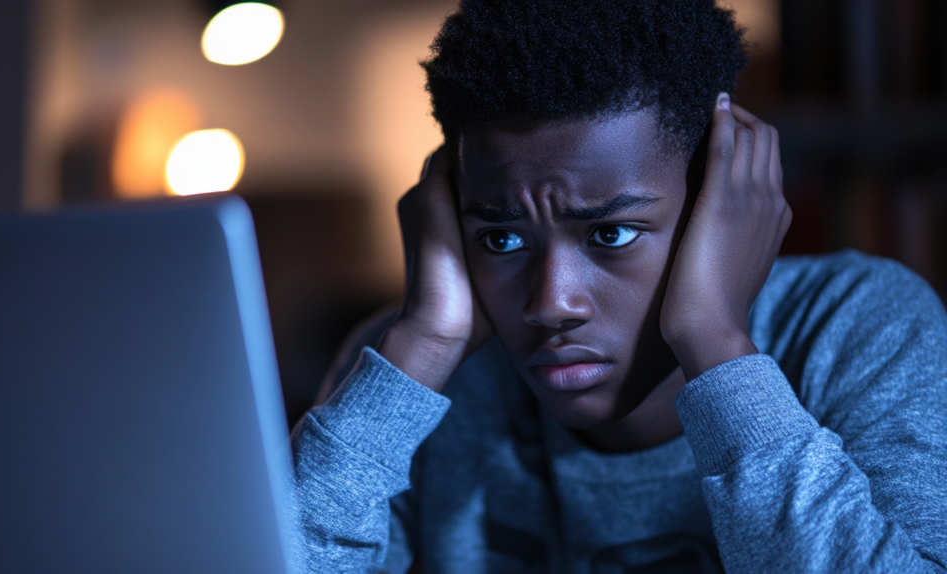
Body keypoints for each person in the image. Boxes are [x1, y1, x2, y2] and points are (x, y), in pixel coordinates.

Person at [290, 1, 947, 572]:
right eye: (503, 239)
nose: (552, 304)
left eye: (611, 234)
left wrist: (717, 342)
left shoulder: (860, 328)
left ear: (723, 207)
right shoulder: (404, 373)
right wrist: (422, 345)